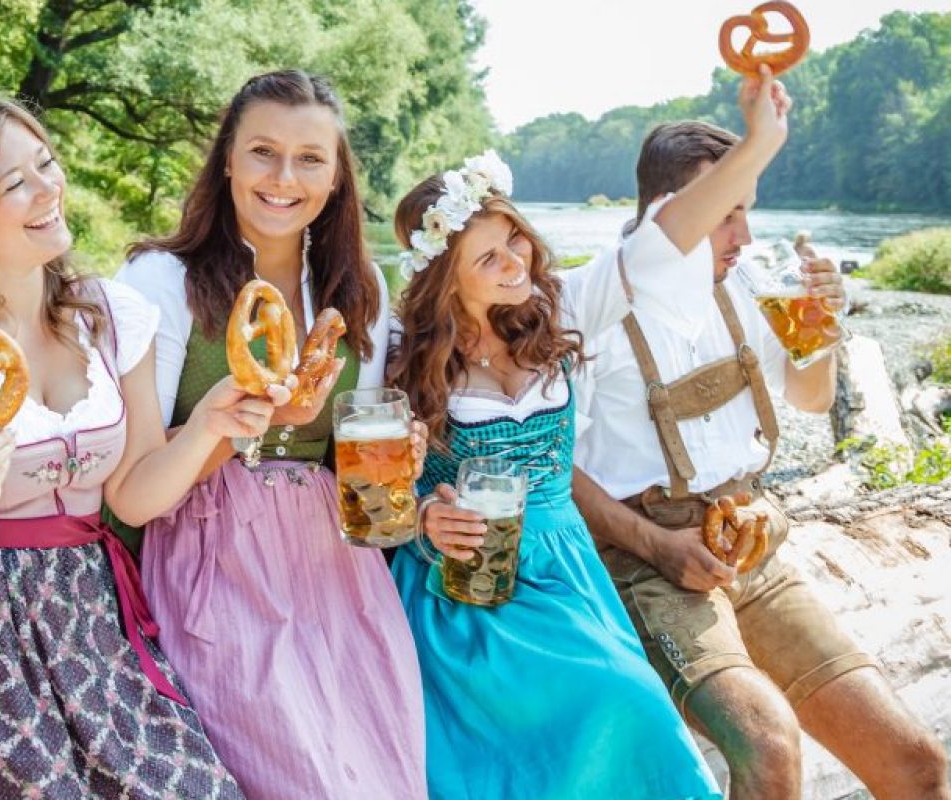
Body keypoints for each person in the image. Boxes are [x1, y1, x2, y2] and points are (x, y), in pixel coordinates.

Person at [384, 68, 803, 800]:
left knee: (635, 716)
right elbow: (367, 485)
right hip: (463, 598)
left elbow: (662, 240)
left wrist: (760, 144)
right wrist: (423, 518)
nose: (516, 261)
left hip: (567, 574)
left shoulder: (565, 311)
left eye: (514, 240)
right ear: (447, 280)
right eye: (489, 257)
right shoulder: (403, 359)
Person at [0, 93, 253, 800]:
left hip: (96, 616)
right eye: (15, 183)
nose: (48, 189)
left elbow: (133, 495)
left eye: (46, 164)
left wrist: (210, 423)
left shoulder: (111, 316)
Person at [571, 124, 951, 798]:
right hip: (645, 568)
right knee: (768, 744)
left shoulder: (745, 285)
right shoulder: (590, 306)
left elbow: (809, 399)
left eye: (746, 209)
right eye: (724, 214)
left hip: (754, 550)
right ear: (667, 210)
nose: (743, 236)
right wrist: (659, 547)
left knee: (920, 765)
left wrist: (823, 334)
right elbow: (555, 470)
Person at [116, 69, 429, 799]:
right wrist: (231, 426)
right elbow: (136, 496)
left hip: (336, 567)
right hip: (212, 556)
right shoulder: (159, 281)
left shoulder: (361, 291)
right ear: (227, 158)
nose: (284, 177)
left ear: (338, 177)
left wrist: (395, 470)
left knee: (383, 772)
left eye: (310, 158)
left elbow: (366, 487)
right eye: (262, 151)